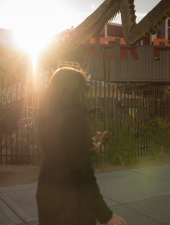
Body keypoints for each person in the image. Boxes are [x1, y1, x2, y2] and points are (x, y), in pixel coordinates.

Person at [36, 67, 126, 225]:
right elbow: (82, 173)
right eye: (85, 87)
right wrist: (106, 215)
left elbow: (60, 149)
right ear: (76, 89)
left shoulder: (47, 114)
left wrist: (88, 145)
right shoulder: (74, 116)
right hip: (70, 200)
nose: (86, 93)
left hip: (47, 189)